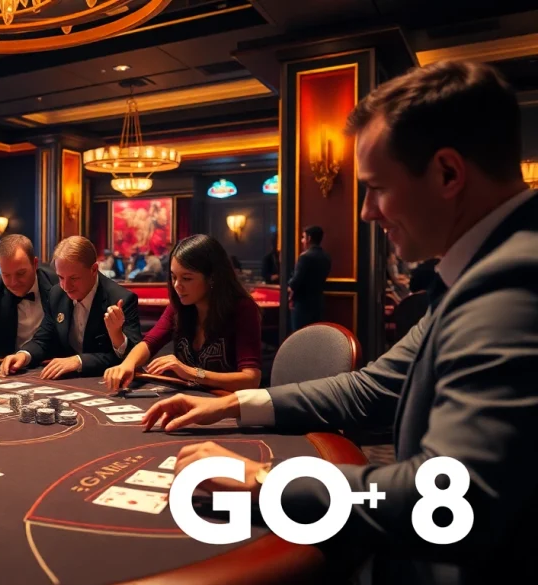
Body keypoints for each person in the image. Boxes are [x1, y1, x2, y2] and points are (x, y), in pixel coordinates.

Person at [141, 60, 538, 585]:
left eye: (376, 187)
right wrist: (231, 403)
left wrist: (265, 479)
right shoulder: (479, 270)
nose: (368, 212)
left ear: (447, 173)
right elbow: (372, 386)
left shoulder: (515, 284)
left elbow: (449, 499)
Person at [104, 235, 261, 392]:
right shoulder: (179, 306)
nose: (177, 285)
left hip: (226, 405)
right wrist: (127, 364)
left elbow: (251, 379)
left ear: (212, 278)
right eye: (173, 277)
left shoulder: (243, 308)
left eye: (186, 278)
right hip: (189, 399)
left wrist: (190, 372)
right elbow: (149, 343)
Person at [1, 236, 142, 379]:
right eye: (61, 277)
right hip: (69, 382)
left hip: (105, 380)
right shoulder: (57, 294)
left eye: (74, 278)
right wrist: (24, 355)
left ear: (94, 269)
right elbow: (44, 339)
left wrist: (79, 361)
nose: (66, 287)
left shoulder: (121, 299)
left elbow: (132, 357)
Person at [288, 225, 331, 330]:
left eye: (303, 237)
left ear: (309, 238)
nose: (302, 241)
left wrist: (289, 285)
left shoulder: (305, 257)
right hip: (318, 303)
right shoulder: (326, 257)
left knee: (300, 338)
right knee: (315, 337)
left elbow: (295, 283)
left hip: (302, 305)